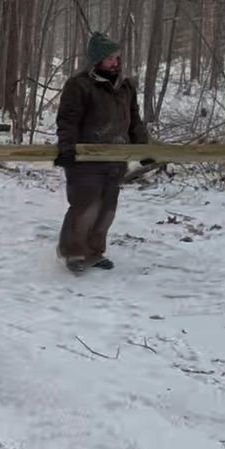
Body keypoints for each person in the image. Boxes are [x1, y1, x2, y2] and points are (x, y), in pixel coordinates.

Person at [54, 31, 151, 274]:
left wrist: (143, 148)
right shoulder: (79, 85)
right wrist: (67, 148)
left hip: (115, 160)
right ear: (97, 59)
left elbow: (134, 121)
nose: (115, 62)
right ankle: (74, 253)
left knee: (107, 210)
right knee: (85, 207)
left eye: (116, 58)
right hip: (86, 161)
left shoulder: (125, 86)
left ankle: (94, 252)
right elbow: (67, 120)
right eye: (110, 58)